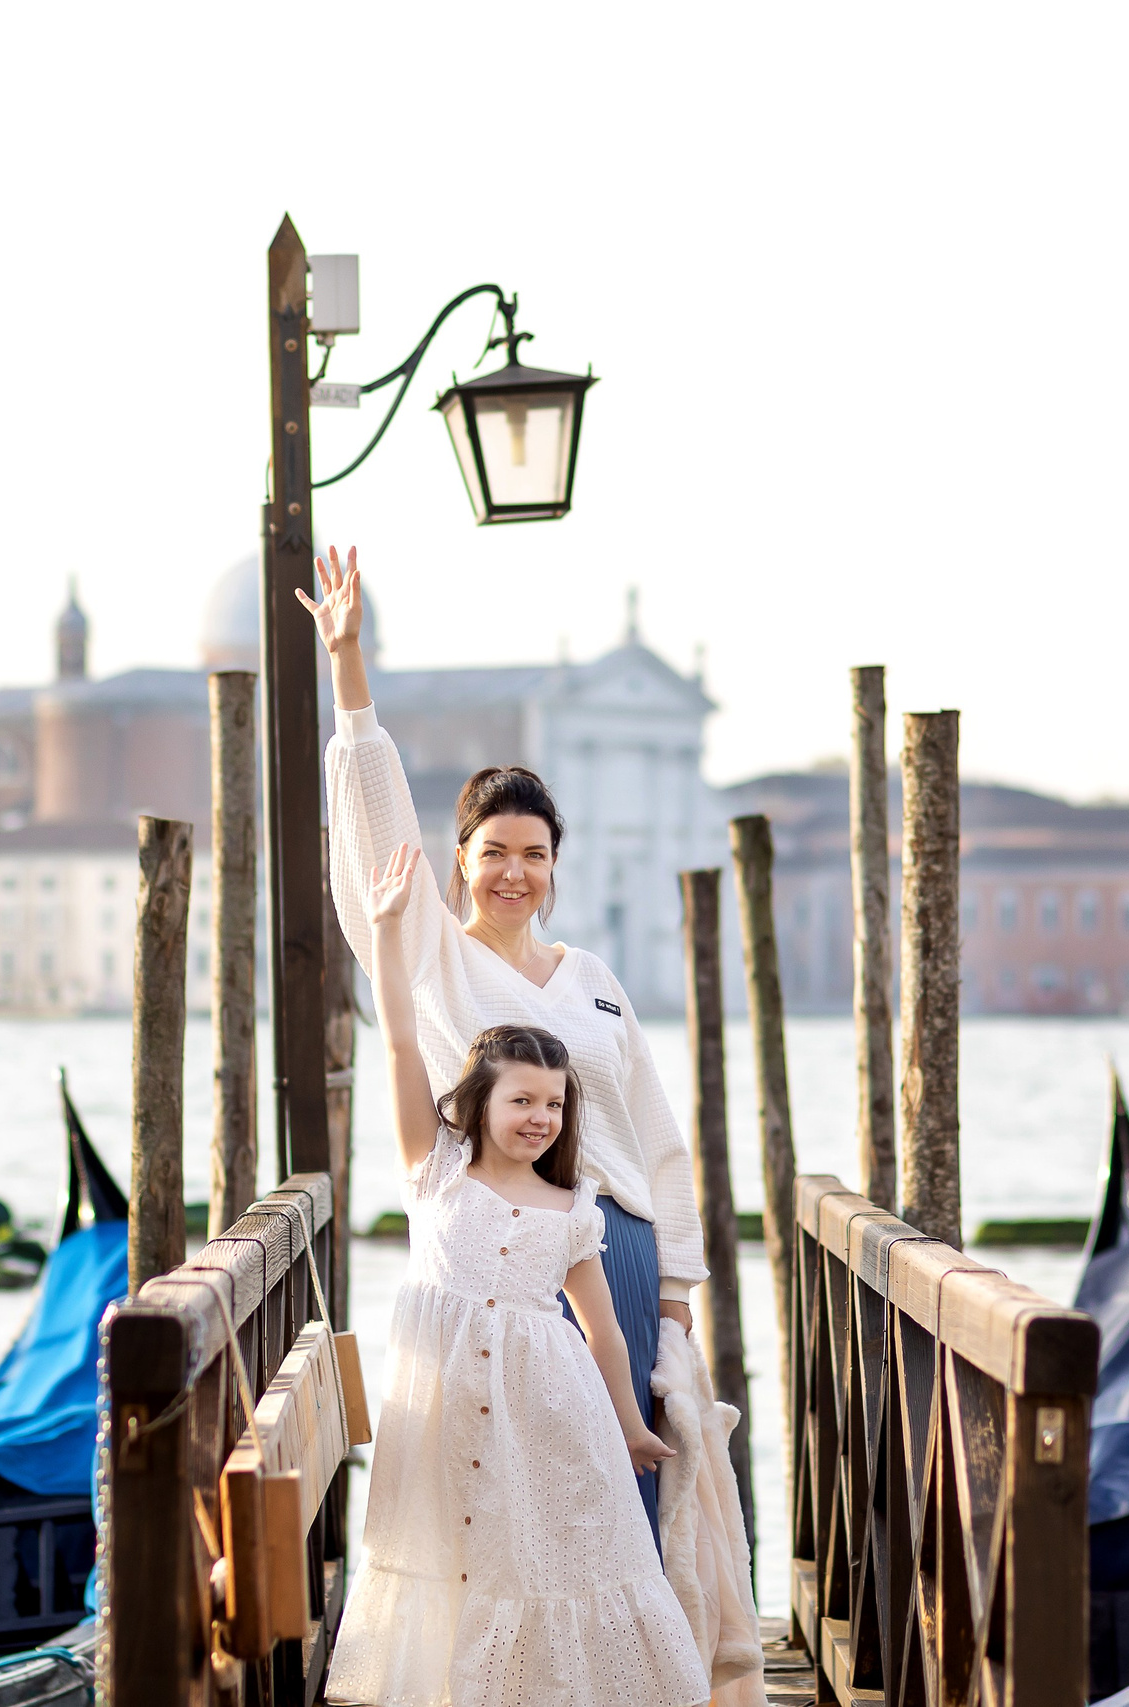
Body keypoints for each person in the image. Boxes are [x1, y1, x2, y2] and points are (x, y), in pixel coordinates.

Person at [301, 545, 706, 1544]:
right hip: (507, 1261)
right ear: (461, 862)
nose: (513, 873)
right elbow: (369, 817)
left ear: (555, 865)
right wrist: (349, 670)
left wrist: (678, 1291)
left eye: (533, 855)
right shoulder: (434, 957)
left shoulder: (596, 980)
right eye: (493, 855)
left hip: (619, 1254)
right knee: (519, 1508)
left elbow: (655, 1132)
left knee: (629, 1492)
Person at [325, 847, 708, 1707]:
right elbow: (394, 1040)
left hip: (550, 1410)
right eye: (521, 1100)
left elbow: (603, 1328)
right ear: (480, 1102)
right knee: (451, 1555)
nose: (539, 1117)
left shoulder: (574, 1207)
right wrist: (389, 933)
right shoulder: (435, 1167)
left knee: (542, 1556)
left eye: (554, 1104)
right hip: (446, 1403)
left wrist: (629, 1424)